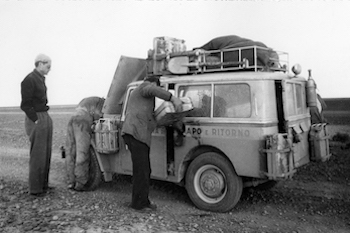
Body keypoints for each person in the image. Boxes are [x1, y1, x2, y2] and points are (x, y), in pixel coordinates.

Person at [121, 76, 183, 212]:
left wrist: (168, 119)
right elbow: (151, 89)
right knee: (142, 171)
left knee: (144, 170)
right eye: (158, 87)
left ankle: (141, 201)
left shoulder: (143, 99)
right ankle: (139, 204)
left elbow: (151, 121)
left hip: (137, 135)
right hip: (136, 134)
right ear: (154, 83)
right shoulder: (144, 87)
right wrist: (172, 98)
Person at [20, 54, 53, 196]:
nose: (49, 69)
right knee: (38, 154)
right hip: (36, 118)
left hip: (44, 116)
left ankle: (44, 185)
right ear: (39, 64)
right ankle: (35, 189)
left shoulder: (40, 79)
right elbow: (25, 105)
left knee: (46, 153)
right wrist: (36, 119)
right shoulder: (29, 80)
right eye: (48, 66)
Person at [65, 96, 105, 191]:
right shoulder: (102, 102)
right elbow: (99, 115)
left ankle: (70, 181)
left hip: (73, 118)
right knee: (82, 152)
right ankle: (80, 183)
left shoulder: (87, 100)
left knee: (70, 151)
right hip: (84, 120)